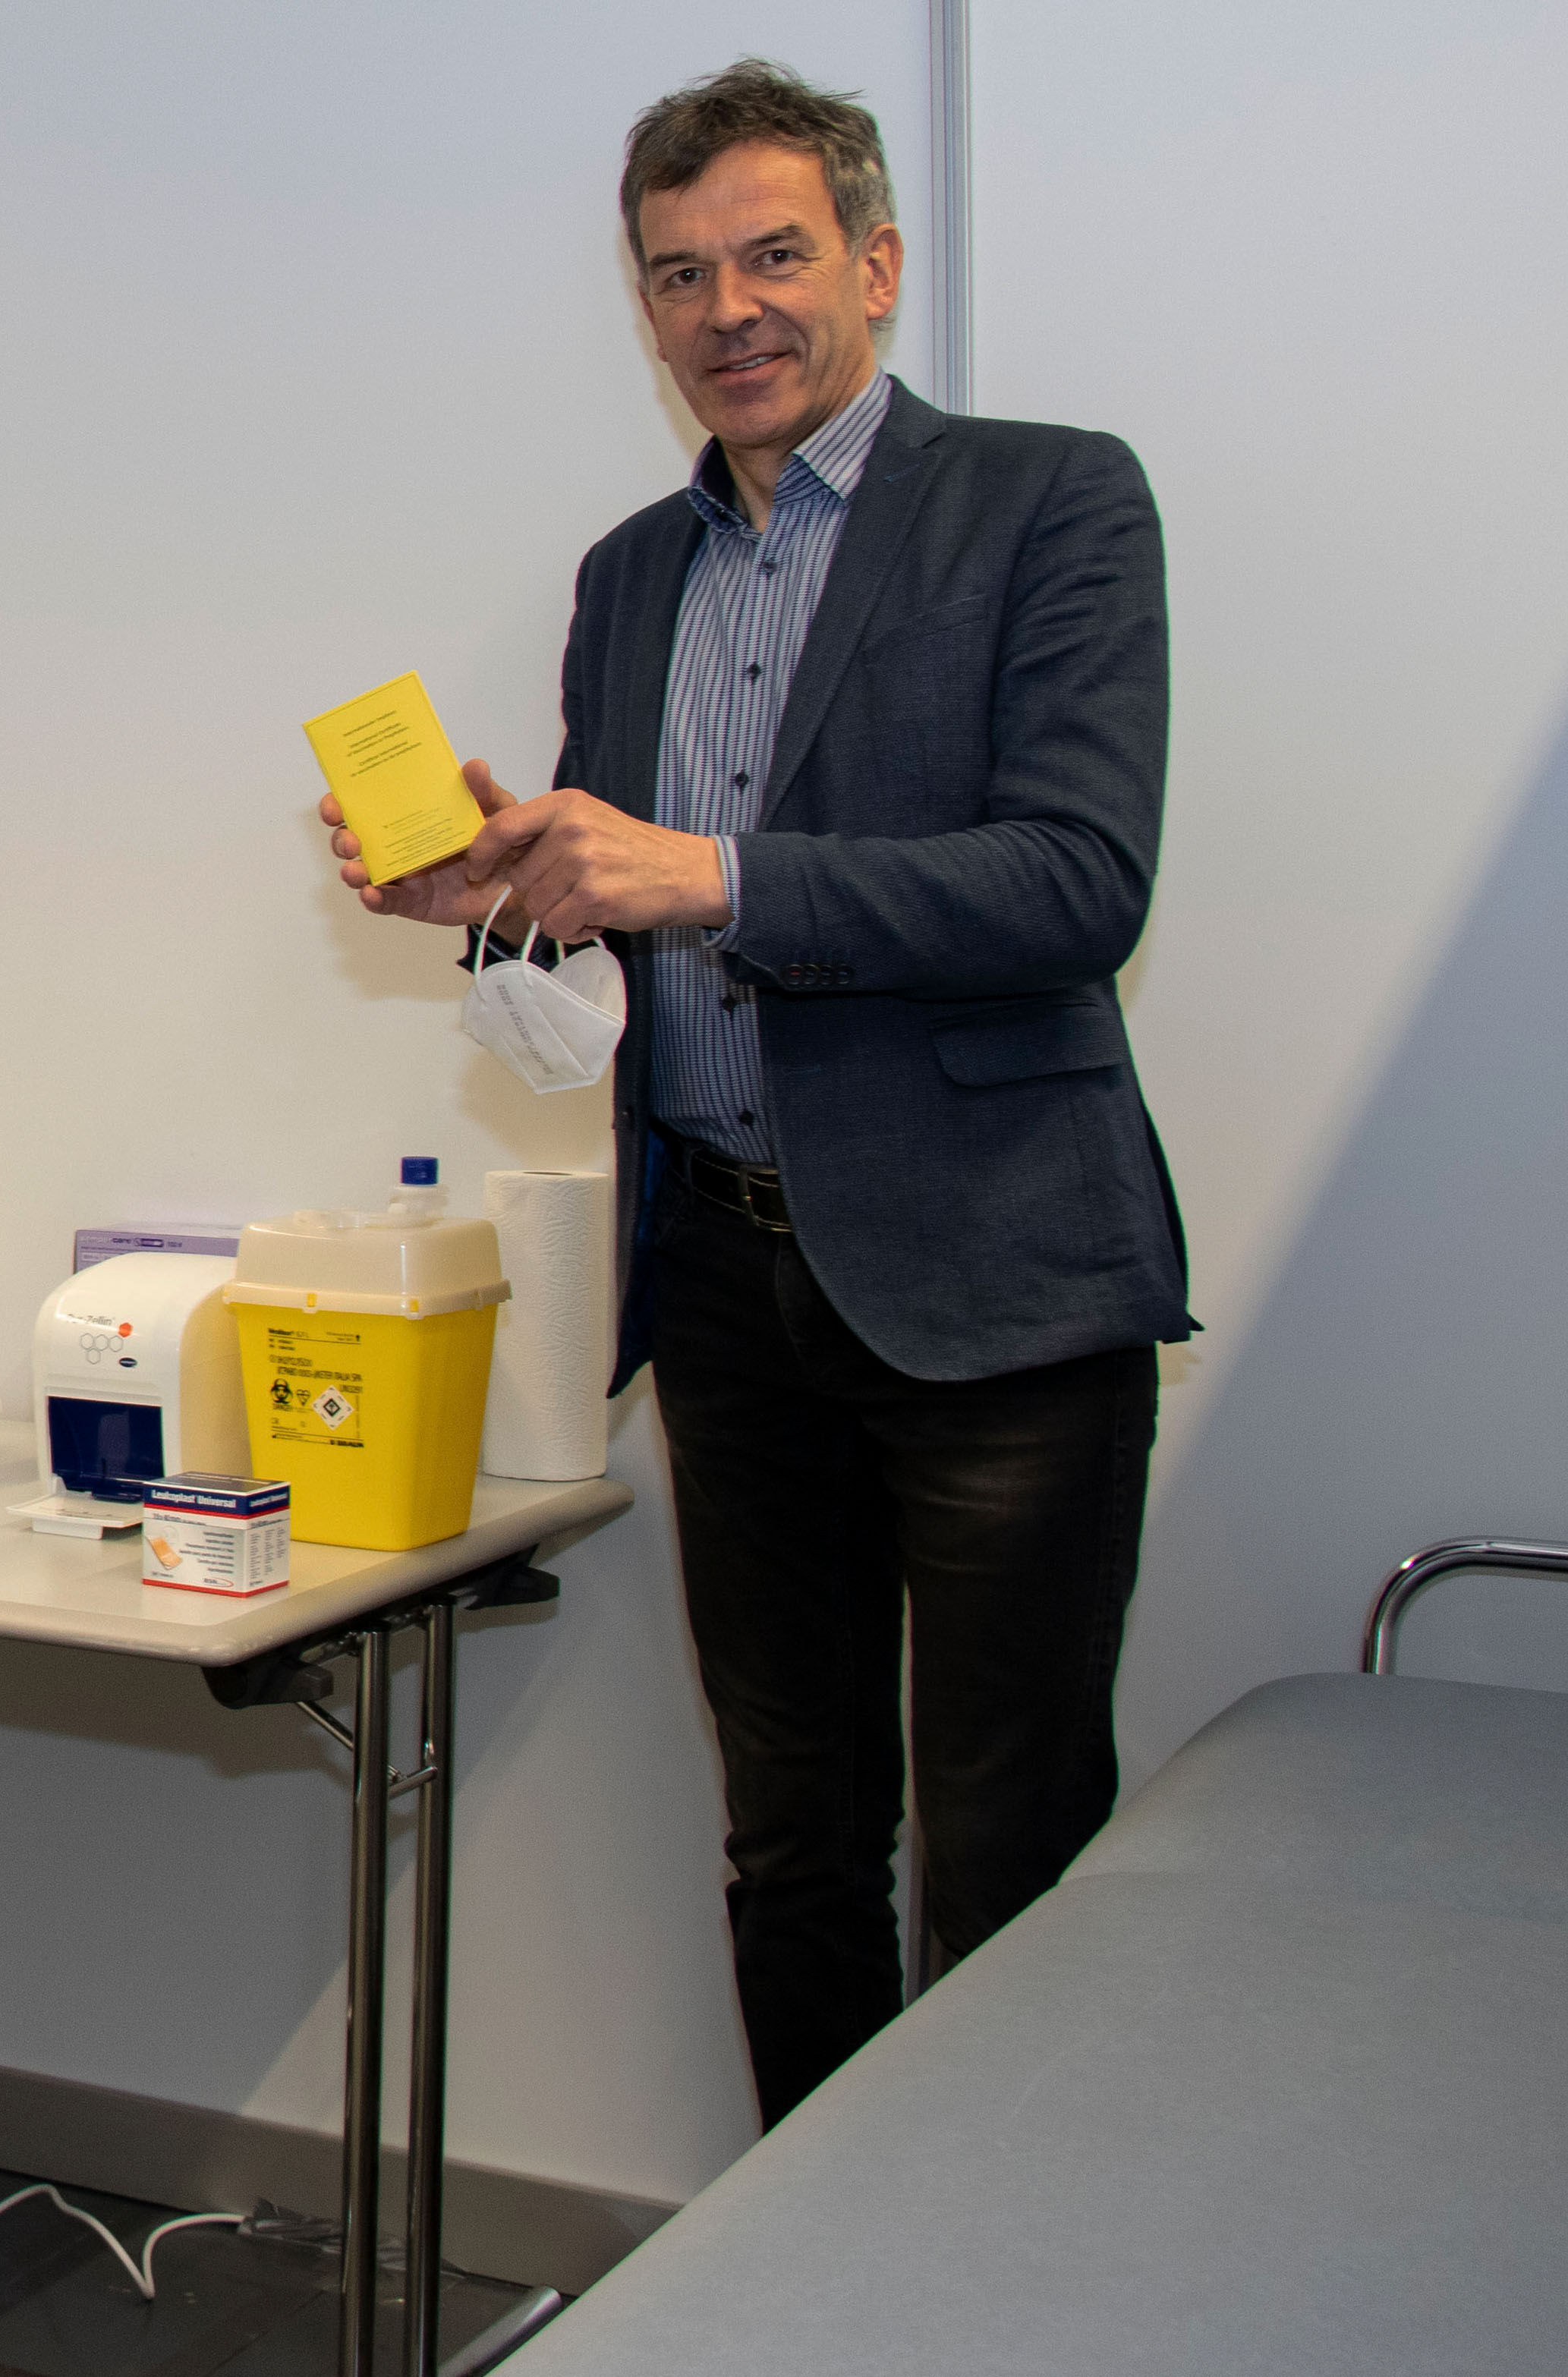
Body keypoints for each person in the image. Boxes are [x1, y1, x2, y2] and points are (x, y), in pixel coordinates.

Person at [323, 61, 1189, 2127]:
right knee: (789, 1844)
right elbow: (606, 945)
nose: (729, 308)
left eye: (773, 255)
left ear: (873, 266)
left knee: (1012, 1862)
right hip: (722, 1284)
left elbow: (1078, 879)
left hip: (993, 1284)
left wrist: (699, 871)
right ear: (644, 314)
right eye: (678, 274)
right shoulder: (630, 575)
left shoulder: (1053, 501)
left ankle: (1000, 2294)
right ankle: (812, 2283)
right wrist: (501, 896)